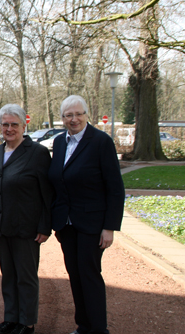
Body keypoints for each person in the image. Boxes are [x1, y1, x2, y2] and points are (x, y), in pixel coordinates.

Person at [48, 95, 125, 334]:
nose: (74, 119)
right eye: (68, 115)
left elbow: (115, 187)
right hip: (66, 224)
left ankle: (98, 329)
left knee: (89, 274)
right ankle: (83, 326)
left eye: (78, 114)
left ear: (86, 114)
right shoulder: (60, 142)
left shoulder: (101, 141)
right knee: (74, 274)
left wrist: (109, 227)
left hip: (92, 223)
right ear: (62, 118)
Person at [0, 104, 53, 334]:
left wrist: (45, 225)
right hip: (1, 226)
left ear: (24, 125)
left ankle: (27, 323)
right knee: (8, 276)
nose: (9, 128)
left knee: (26, 277)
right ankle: (10, 318)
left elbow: (47, 193)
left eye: (14, 124)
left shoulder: (37, 153)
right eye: (5, 124)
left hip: (26, 227)